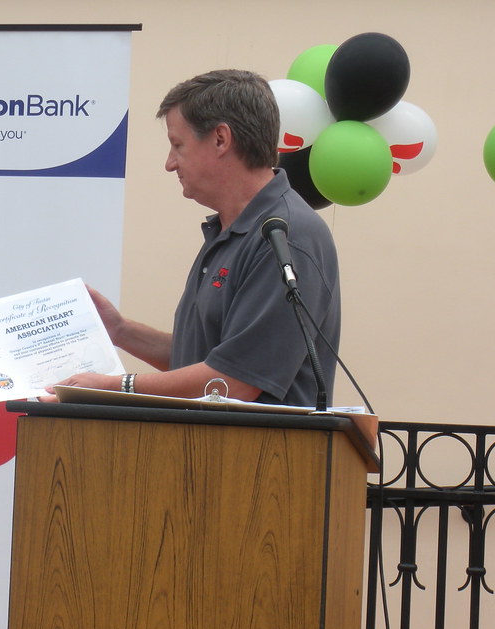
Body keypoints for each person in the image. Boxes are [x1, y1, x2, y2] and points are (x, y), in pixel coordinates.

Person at [55, 69, 340, 407]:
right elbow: (208, 361)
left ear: (221, 139)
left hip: (260, 456)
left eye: (178, 145)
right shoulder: (231, 229)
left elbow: (235, 382)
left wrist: (114, 387)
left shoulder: (285, 234)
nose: (169, 164)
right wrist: (121, 331)